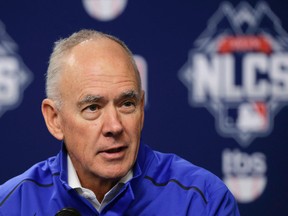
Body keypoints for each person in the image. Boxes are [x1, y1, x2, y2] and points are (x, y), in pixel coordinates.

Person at [0, 29, 240, 215]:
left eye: (127, 104)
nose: (114, 126)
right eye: (93, 108)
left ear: (142, 108)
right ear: (55, 119)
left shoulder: (202, 201)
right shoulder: (10, 205)